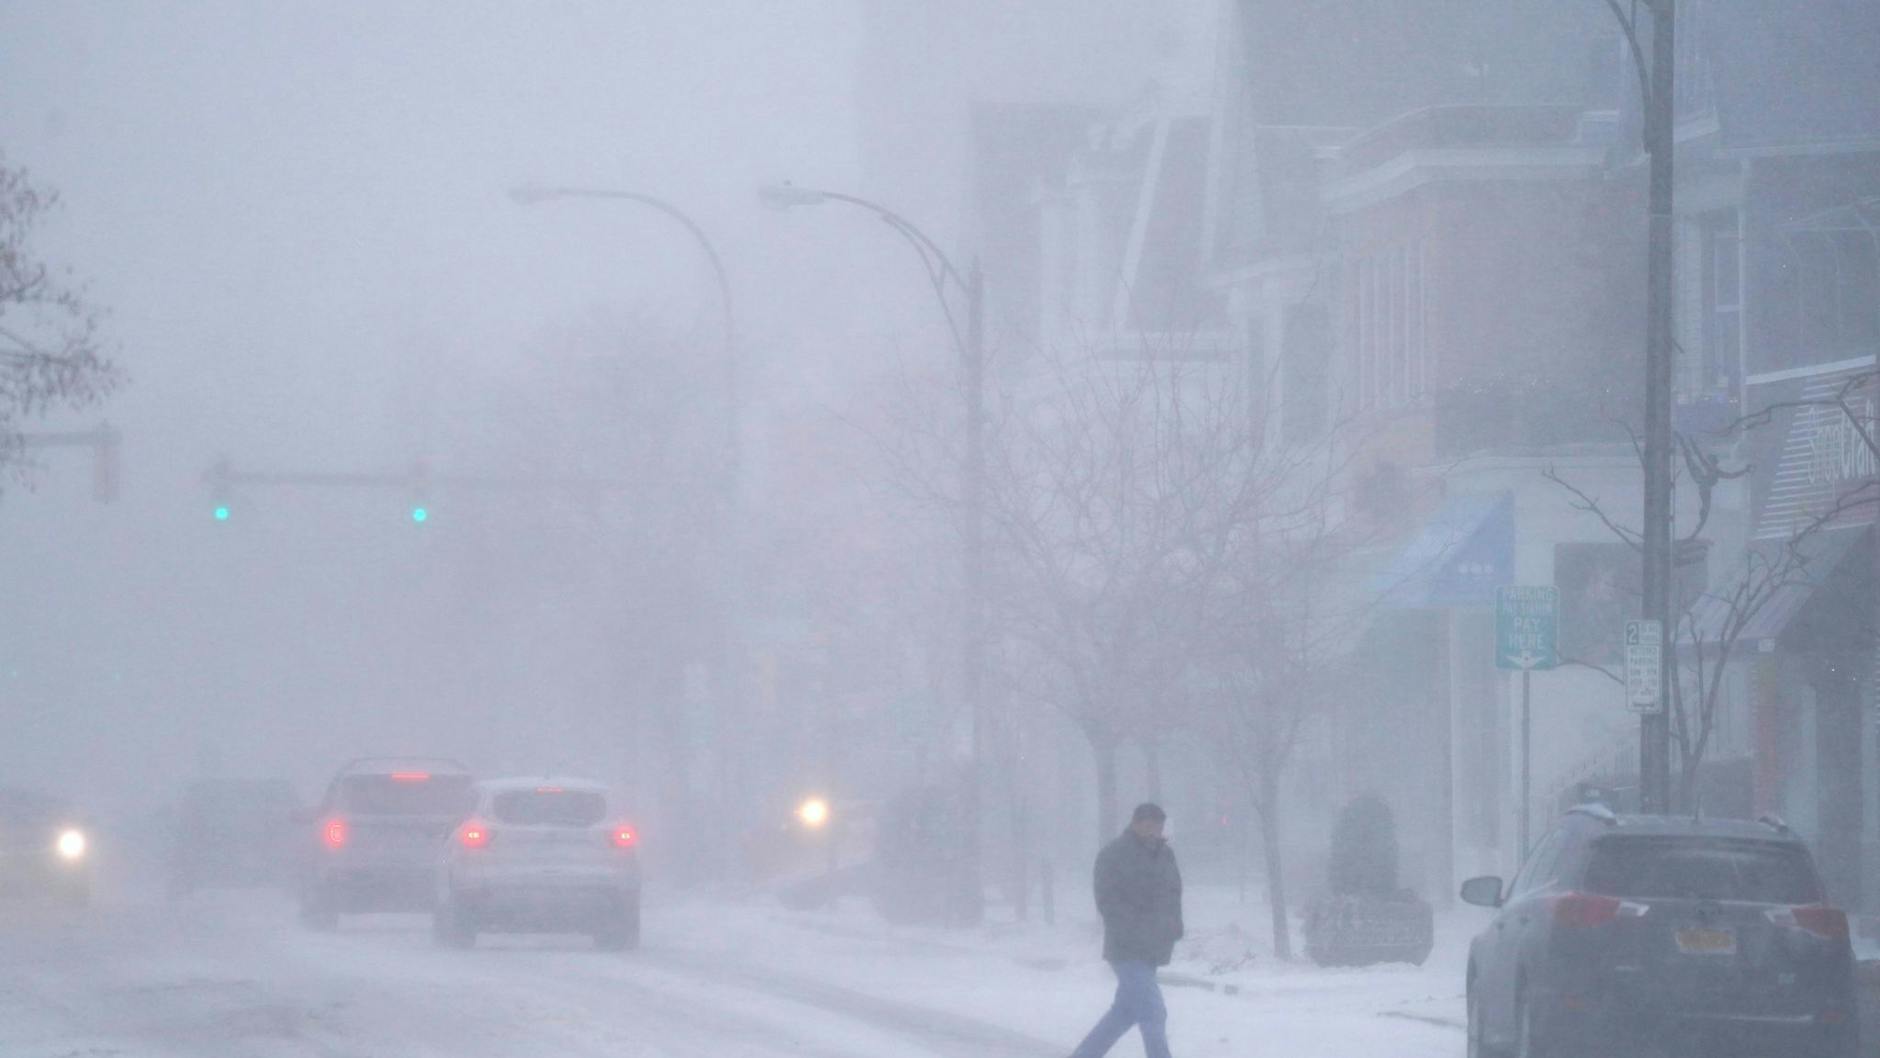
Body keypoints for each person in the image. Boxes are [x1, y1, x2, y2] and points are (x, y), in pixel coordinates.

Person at [1070, 802, 1183, 1058]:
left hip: (1153, 947)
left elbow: (1174, 891)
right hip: (1126, 948)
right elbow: (1107, 900)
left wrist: (1175, 924)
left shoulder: (1165, 855)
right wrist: (1134, 926)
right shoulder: (1114, 854)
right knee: (1154, 1010)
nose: (1153, 830)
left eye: (1158, 825)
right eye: (1148, 824)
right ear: (1135, 823)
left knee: (1125, 1012)